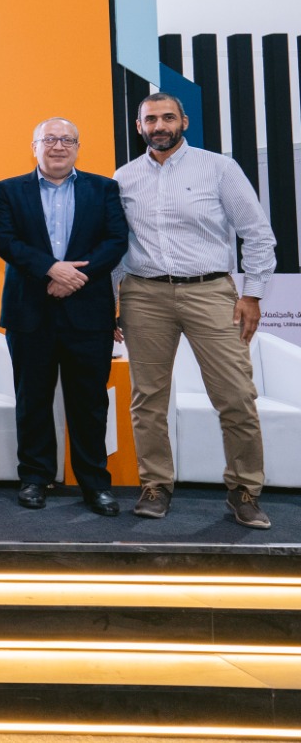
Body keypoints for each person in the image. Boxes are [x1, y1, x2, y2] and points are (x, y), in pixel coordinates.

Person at [115, 93, 276, 529]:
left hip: (210, 292)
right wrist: (113, 302)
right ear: (139, 126)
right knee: (148, 400)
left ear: (183, 121)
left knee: (236, 396)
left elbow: (257, 233)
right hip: (144, 296)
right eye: (151, 119)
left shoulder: (218, 168)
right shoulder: (124, 177)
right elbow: (116, 245)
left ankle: (244, 490)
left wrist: (252, 295)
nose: (160, 125)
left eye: (168, 117)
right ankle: (155, 485)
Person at [0, 118, 128, 516]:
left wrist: (74, 277)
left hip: (88, 314)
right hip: (29, 312)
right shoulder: (9, 190)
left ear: (78, 147)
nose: (58, 146)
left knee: (90, 403)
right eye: (49, 139)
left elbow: (116, 241)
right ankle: (35, 478)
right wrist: (51, 269)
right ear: (34, 146)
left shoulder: (104, 188)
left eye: (67, 139)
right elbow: (5, 240)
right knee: (32, 400)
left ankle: (94, 484)